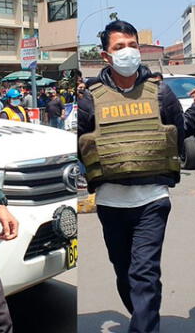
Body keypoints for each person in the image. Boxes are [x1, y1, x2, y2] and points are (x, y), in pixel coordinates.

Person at [78, 20, 184, 333]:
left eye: (133, 45)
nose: (128, 52)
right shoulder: (89, 100)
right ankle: (143, 316)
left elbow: (179, 134)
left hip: (152, 200)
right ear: (105, 56)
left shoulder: (161, 93)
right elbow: (81, 146)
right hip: (111, 204)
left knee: (145, 275)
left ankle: (144, 326)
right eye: (119, 47)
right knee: (125, 275)